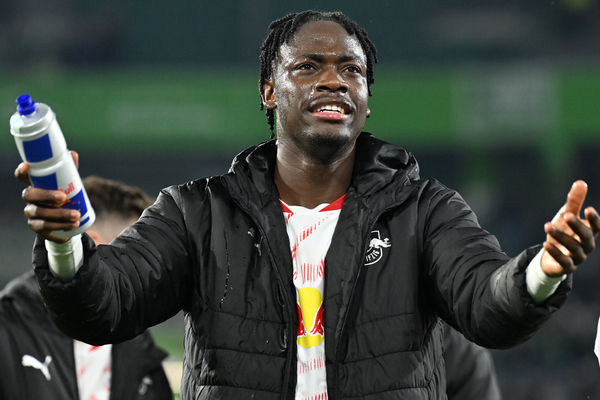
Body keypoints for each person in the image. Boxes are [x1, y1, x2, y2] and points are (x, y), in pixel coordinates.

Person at [15, 10, 600, 400]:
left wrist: (541, 272)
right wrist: (65, 245)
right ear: (269, 90)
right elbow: (104, 306)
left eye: (352, 70)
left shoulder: (425, 212)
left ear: (367, 98)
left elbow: (485, 302)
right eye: (308, 66)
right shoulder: (198, 215)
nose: (334, 80)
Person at [0, 176, 173, 400]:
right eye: (136, 254)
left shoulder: (143, 355)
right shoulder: (7, 329)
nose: (148, 270)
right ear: (91, 246)